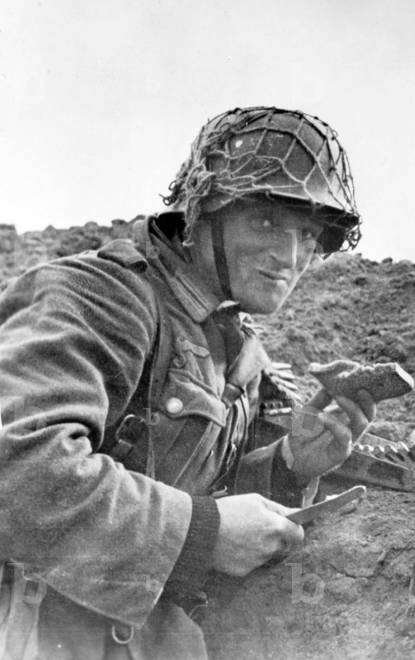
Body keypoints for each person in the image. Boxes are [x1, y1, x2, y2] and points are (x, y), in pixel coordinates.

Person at [0, 106, 376, 658]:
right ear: (201, 214)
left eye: (309, 233)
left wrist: (289, 463)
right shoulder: (101, 297)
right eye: (266, 222)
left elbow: (188, 496)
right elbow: (17, 467)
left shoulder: (230, 345)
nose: (290, 257)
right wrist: (202, 531)